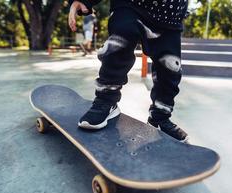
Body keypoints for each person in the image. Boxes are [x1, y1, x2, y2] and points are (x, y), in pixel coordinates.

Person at [69, 0, 189, 142]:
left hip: (170, 16)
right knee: (118, 45)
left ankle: (160, 117)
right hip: (130, 5)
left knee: (170, 68)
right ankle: (106, 101)